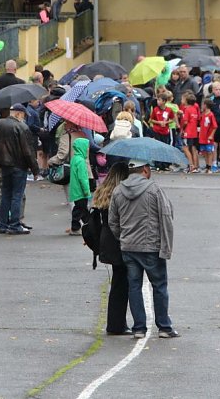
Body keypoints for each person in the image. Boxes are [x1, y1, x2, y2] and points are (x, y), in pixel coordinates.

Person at [109, 159, 178, 339]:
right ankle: (164, 327)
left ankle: (139, 327)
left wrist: (122, 237)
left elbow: (113, 221)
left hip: (128, 246)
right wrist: (166, 247)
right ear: (145, 170)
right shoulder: (154, 189)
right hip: (151, 246)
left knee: (134, 286)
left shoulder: (118, 190)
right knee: (159, 286)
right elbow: (166, 216)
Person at [89, 162, 131, 335]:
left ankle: (116, 322)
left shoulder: (103, 191)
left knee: (118, 282)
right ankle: (116, 324)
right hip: (118, 240)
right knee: (122, 283)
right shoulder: (120, 194)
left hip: (106, 240)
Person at [0, 105, 38, 235]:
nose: (24, 118)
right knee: (17, 195)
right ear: (19, 114)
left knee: (5, 193)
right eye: (23, 115)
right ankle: (15, 224)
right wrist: (35, 169)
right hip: (18, 165)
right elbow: (28, 151)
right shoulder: (21, 127)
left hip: (3, 164)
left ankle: (2, 224)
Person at [68, 137, 92, 236]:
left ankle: (89, 226)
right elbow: (83, 178)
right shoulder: (81, 161)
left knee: (83, 209)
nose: (88, 150)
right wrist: (87, 191)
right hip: (80, 191)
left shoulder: (74, 159)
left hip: (75, 189)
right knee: (79, 209)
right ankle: (75, 227)